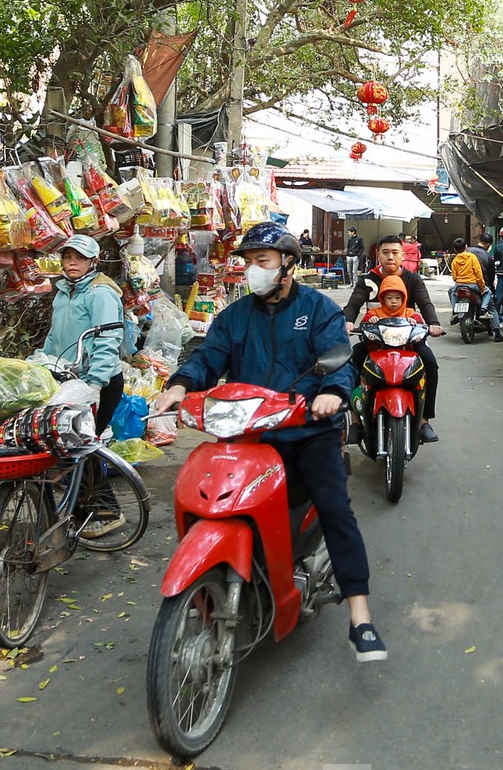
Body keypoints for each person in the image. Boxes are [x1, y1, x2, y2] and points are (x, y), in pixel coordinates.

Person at [148, 223, 386, 662]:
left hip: (308, 431)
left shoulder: (318, 310)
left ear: (288, 264)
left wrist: (333, 391)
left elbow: (337, 359)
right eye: (248, 262)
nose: (252, 270)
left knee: (335, 507)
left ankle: (360, 614)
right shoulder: (235, 316)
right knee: (210, 494)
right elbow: (208, 357)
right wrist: (181, 385)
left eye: (263, 261)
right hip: (248, 434)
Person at [343, 235, 442, 442]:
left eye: (395, 252)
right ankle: (355, 420)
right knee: (352, 362)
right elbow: (353, 304)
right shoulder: (367, 279)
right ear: (378, 254)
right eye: (385, 252)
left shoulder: (413, 279)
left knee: (430, 363)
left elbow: (425, 304)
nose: (390, 257)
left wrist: (433, 323)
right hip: (374, 343)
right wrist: (347, 321)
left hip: (408, 342)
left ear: (403, 256)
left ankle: (424, 420)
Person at [40, 234, 126, 424]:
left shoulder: (100, 293)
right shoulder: (63, 292)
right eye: (68, 257)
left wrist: (95, 384)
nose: (72, 263)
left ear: (94, 262)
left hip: (99, 380)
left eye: (80, 258)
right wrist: (41, 363)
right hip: (69, 377)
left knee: (87, 441)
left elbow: (108, 339)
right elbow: (53, 335)